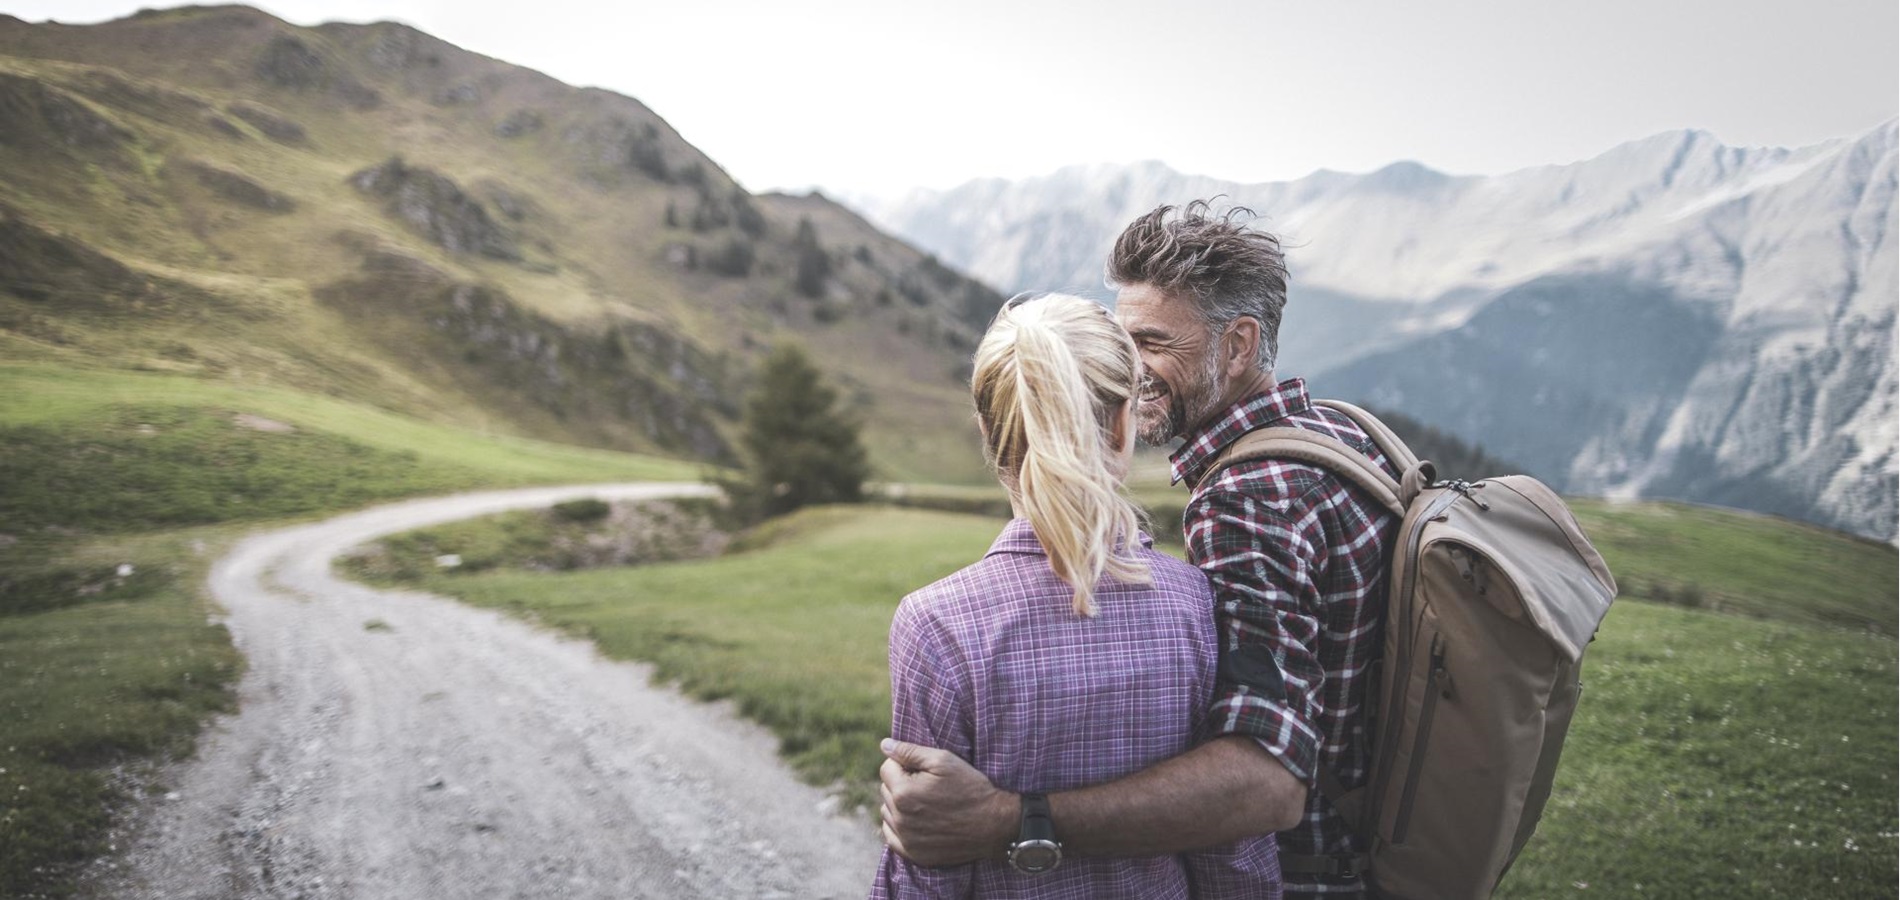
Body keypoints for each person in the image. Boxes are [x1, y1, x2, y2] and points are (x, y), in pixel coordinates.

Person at [879, 203, 1401, 896]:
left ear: (1239, 345)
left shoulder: (1244, 503)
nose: (1132, 366)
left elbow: (1264, 785)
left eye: (1152, 342)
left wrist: (1012, 818)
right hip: (1372, 848)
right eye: (1123, 343)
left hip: (1312, 874)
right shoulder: (1338, 435)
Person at [869, 291, 1281, 899]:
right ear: (1122, 424)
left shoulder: (936, 624)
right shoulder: (1195, 602)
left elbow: (927, 862)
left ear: (987, 430)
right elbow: (1233, 854)